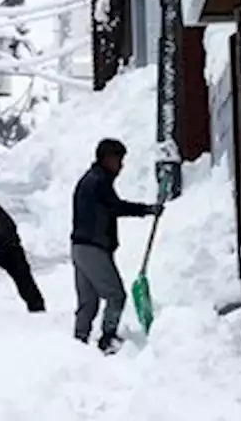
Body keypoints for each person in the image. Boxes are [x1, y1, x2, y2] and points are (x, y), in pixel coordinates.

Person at [70, 138, 162, 354]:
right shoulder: (98, 182)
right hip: (93, 248)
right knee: (115, 295)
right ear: (106, 159)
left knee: (88, 301)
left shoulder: (91, 180)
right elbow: (115, 207)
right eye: (118, 160)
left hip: (79, 248)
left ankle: (78, 343)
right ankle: (107, 338)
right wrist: (147, 210)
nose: (121, 166)